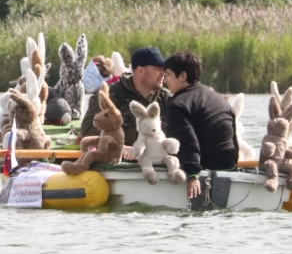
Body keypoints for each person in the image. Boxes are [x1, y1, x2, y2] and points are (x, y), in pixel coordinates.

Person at [162, 50, 239, 200]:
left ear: (183, 76)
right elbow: (234, 140)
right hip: (229, 166)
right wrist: (233, 168)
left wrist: (192, 175)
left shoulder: (178, 104)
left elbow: (185, 139)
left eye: (169, 74)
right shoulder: (220, 99)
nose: (165, 80)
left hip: (204, 167)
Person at [79, 46, 167, 148]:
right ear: (140, 71)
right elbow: (89, 132)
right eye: (158, 68)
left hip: (158, 161)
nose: (163, 73)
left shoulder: (167, 99)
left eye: (164, 69)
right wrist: (121, 148)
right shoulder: (110, 95)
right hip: (119, 161)